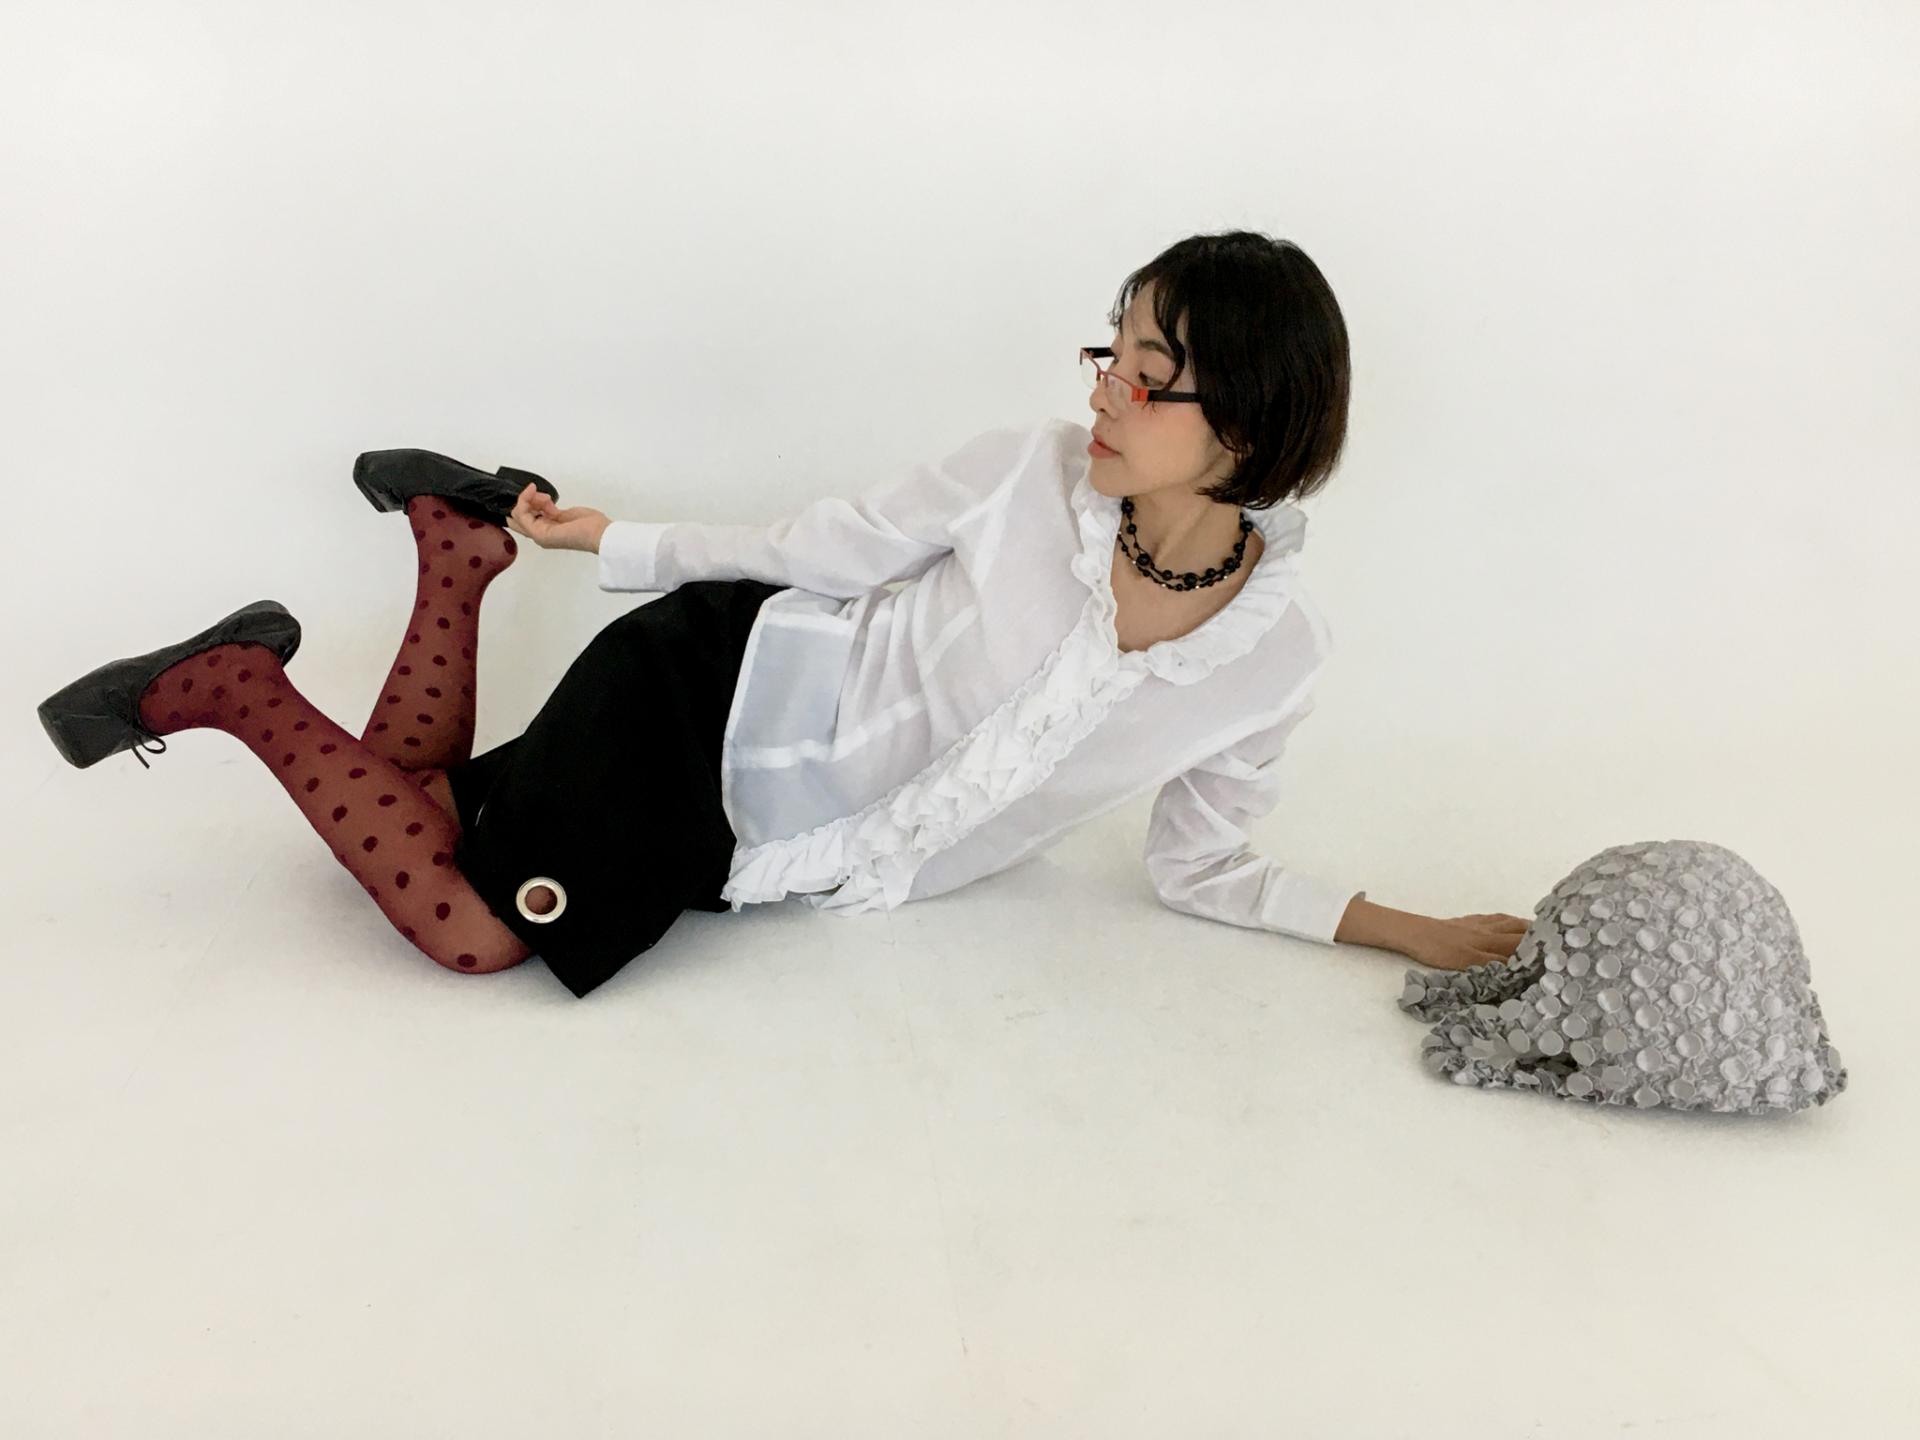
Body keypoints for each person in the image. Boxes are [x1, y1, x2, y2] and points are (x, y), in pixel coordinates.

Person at [39, 229, 1529, 998]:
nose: (1104, 393)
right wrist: (611, 539)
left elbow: (1203, 866)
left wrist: (1400, 929)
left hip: (770, 831)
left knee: (436, 811)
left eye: (1150, 377)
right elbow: (820, 546)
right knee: (480, 930)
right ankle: (233, 686)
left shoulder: (1272, 659)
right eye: (1110, 354)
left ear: (1252, 425)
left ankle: (452, 559)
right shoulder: (1024, 476)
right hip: (714, 697)